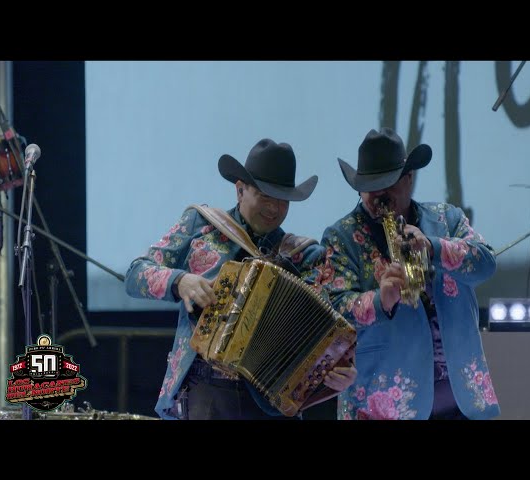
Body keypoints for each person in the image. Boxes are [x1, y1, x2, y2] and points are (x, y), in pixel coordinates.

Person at [124, 138, 357, 420]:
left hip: (272, 402)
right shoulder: (201, 226)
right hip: (207, 391)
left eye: (283, 199)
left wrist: (337, 373)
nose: (275, 208)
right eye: (265, 195)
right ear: (240, 190)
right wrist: (180, 281)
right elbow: (135, 273)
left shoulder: (303, 256)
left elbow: (330, 335)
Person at [309, 127, 500, 420]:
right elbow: (331, 310)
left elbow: (486, 263)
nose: (379, 195)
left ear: (409, 179)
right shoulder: (341, 236)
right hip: (382, 402)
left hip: (463, 399)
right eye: (371, 186)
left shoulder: (445, 218)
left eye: (388, 183)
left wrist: (434, 247)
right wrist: (378, 301)